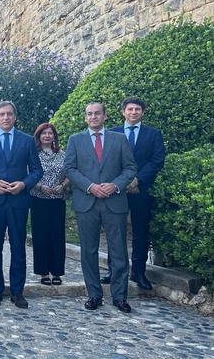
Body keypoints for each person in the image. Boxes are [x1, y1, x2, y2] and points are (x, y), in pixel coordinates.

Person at [64, 102, 136, 313]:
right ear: (85, 118)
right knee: (88, 250)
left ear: (105, 116)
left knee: (119, 251)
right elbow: (69, 168)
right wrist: (90, 186)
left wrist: (115, 185)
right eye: (89, 114)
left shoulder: (119, 139)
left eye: (97, 113)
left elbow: (130, 168)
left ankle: (120, 296)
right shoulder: (75, 140)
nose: (93, 117)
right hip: (87, 202)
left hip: (114, 201)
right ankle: (94, 294)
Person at [0, 101, 43, 309]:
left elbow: (37, 171)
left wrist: (24, 184)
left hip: (18, 201)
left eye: (9, 114)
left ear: (15, 117)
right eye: (2, 114)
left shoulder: (27, 140)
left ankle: (17, 291)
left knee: (18, 247)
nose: (6, 117)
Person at [106, 96, 165, 290]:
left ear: (142, 112)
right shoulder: (111, 133)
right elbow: (107, 161)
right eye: (130, 109)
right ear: (123, 111)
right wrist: (122, 182)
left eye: (137, 109)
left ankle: (138, 272)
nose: (133, 112)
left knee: (140, 232)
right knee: (115, 231)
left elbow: (157, 161)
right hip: (116, 190)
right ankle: (113, 270)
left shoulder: (153, 134)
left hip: (141, 189)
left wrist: (137, 179)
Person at [29, 123, 69, 286]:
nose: (47, 135)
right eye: (43, 133)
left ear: (54, 136)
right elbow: (28, 174)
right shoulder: (33, 154)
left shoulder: (63, 154)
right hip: (38, 198)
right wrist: (39, 187)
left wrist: (63, 185)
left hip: (57, 199)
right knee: (41, 236)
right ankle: (43, 272)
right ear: (38, 136)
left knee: (57, 236)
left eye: (50, 133)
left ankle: (57, 272)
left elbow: (71, 172)